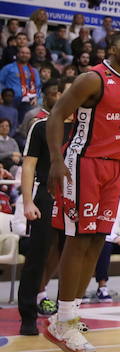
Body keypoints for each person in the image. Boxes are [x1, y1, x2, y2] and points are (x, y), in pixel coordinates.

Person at [42, 28, 120, 352]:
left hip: (112, 167)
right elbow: (56, 115)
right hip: (82, 163)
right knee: (79, 239)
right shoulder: (92, 79)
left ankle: (71, 313)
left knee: (99, 240)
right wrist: (57, 160)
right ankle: (63, 319)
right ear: (112, 49)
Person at [16, 82, 63, 336]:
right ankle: (27, 316)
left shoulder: (83, 129)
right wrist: (27, 201)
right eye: (59, 93)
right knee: (37, 257)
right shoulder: (41, 125)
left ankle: (67, 317)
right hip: (46, 195)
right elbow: (29, 165)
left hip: (75, 199)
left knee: (70, 259)